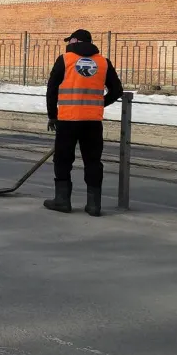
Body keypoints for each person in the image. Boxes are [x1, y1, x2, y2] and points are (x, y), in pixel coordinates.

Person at [44, 29, 124, 217]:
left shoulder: (65, 59)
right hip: (92, 121)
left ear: (73, 41)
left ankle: (62, 201)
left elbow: (52, 89)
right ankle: (94, 205)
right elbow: (117, 90)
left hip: (67, 120)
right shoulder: (103, 62)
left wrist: (52, 115)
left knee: (63, 159)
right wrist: (99, 103)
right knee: (93, 161)